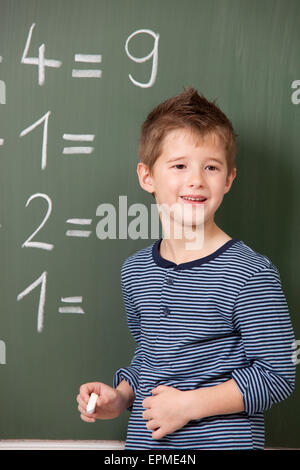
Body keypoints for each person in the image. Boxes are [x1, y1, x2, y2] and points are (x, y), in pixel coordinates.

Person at [76, 87, 296, 449]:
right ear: (147, 177)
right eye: (179, 166)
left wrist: (189, 405)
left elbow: (276, 376)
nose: (195, 180)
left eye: (210, 167)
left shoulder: (250, 273)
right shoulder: (135, 272)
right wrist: (120, 397)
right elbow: (153, 357)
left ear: (228, 179)